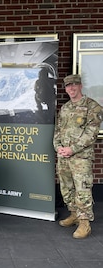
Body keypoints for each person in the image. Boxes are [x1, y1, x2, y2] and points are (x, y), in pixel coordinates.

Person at [53, 74, 103, 239]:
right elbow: (58, 130)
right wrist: (58, 147)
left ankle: (84, 223)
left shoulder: (93, 107)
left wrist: (72, 149)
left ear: (80, 86)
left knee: (82, 188)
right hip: (64, 157)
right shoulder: (65, 108)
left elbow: (91, 134)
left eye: (74, 85)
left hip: (81, 157)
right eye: (68, 86)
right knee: (66, 187)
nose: (71, 89)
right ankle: (74, 214)